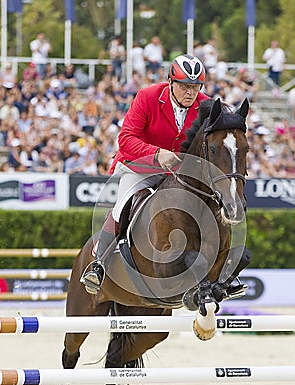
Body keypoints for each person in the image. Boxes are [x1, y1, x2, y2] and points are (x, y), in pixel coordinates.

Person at [81, 54, 251, 300]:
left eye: (195, 87)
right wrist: (157, 154)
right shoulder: (148, 97)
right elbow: (126, 139)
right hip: (140, 168)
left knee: (212, 204)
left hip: (179, 173)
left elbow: (224, 128)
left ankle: (224, 272)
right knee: (123, 205)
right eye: (184, 86)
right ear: (170, 82)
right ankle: (98, 263)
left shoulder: (204, 105)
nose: (190, 92)